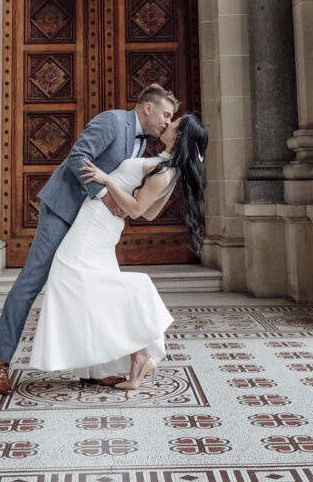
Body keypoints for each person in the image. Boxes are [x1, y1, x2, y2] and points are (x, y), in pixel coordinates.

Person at [0, 84, 179, 395]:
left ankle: (97, 369)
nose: (167, 123)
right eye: (166, 115)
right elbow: (78, 157)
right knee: (32, 281)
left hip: (92, 226)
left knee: (97, 289)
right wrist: (102, 195)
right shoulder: (112, 121)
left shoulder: (141, 144)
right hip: (64, 208)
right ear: (148, 108)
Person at [28, 113, 208, 390]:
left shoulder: (164, 172)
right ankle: (131, 358)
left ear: (180, 134)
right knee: (90, 288)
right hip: (102, 223)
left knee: (67, 275)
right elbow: (149, 214)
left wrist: (106, 181)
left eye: (173, 122)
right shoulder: (167, 168)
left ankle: (139, 330)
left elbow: (137, 210)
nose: (168, 123)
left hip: (96, 224)